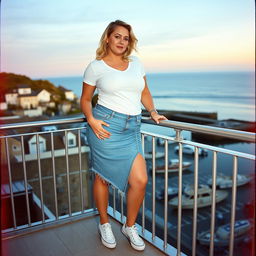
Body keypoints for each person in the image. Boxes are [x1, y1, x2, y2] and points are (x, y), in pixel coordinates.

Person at [81, 20, 167, 251]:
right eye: (117, 36)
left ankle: (129, 226)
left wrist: (153, 111)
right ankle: (104, 223)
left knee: (140, 180)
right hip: (106, 126)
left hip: (132, 127)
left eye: (126, 38)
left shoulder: (136, 63)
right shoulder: (96, 66)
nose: (122, 41)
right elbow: (86, 99)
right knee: (102, 177)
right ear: (108, 38)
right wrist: (90, 118)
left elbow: (145, 91)